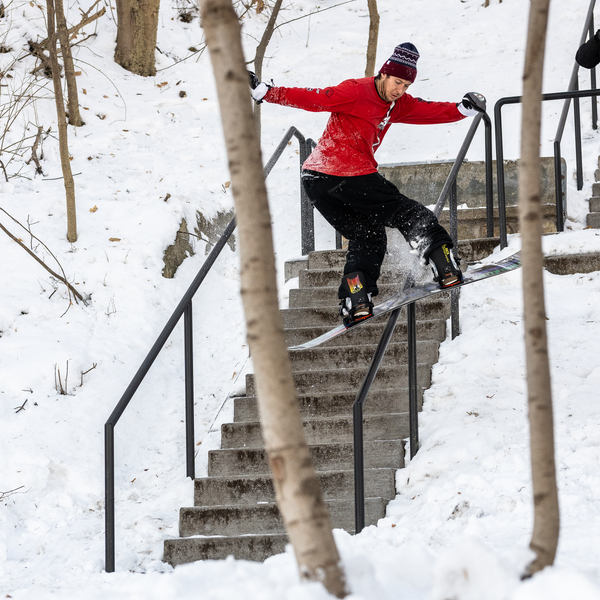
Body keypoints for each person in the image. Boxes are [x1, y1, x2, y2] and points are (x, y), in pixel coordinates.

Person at [249, 42, 486, 325]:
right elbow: (315, 98)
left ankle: (356, 297)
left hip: (316, 181)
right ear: (384, 74)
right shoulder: (355, 91)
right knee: (405, 212)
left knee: (368, 236)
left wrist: (462, 109)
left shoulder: (398, 104)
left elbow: (428, 110)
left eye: (406, 85)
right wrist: (265, 92)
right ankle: (443, 263)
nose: (400, 90)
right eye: (397, 82)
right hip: (343, 171)